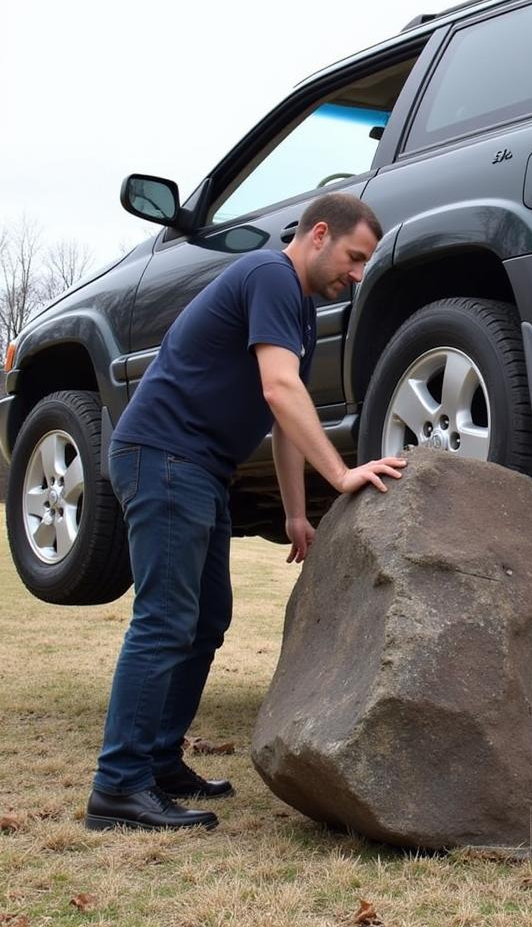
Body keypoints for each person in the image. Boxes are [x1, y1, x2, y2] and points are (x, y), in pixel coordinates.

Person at [85, 193, 406, 832]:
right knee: (166, 619)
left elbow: (283, 418)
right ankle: (118, 787)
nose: (358, 273)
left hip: (197, 466)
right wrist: (341, 473)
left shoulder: (300, 312)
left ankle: (157, 760)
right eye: (354, 257)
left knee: (206, 618)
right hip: (164, 454)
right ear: (319, 235)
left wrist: (296, 512)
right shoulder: (268, 276)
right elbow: (278, 389)